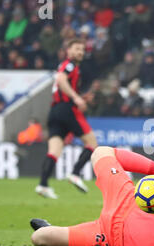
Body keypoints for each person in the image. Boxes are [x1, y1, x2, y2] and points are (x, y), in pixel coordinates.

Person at [36, 39, 99, 199]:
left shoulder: (69, 66)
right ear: (68, 51)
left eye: (82, 50)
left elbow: (63, 84)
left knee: (54, 151)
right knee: (92, 143)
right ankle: (75, 174)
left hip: (55, 111)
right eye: (77, 49)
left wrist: (79, 96)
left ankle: (42, 185)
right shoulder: (69, 65)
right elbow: (61, 79)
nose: (80, 52)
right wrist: (76, 98)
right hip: (67, 109)